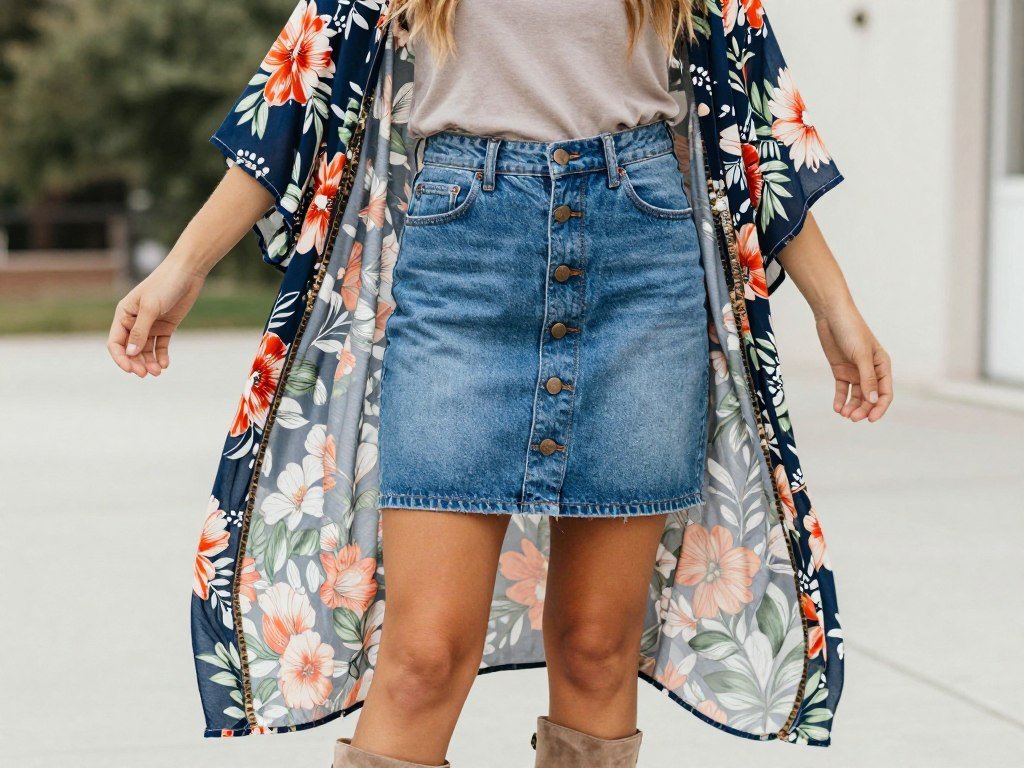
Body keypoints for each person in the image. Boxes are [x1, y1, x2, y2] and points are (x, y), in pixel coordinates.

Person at [107, 2, 893, 767]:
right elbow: (297, 97)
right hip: (463, 270)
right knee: (423, 657)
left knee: (596, 648)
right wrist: (182, 268)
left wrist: (836, 307)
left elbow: (761, 121)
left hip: (641, 266)